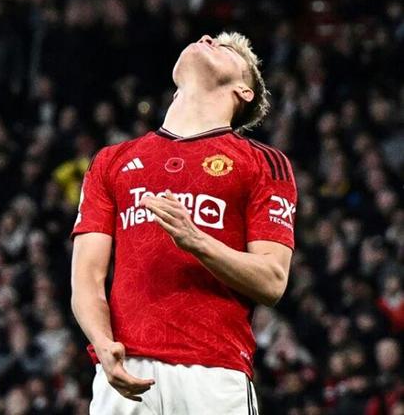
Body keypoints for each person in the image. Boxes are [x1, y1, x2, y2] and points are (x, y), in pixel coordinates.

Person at [70, 32, 297, 414]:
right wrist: (102, 343)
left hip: (214, 371)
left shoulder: (262, 163)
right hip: (125, 370)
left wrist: (196, 240)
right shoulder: (111, 161)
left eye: (225, 48)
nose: (207, 38)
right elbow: (86, 278)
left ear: (244, 90)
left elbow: (272, 281)